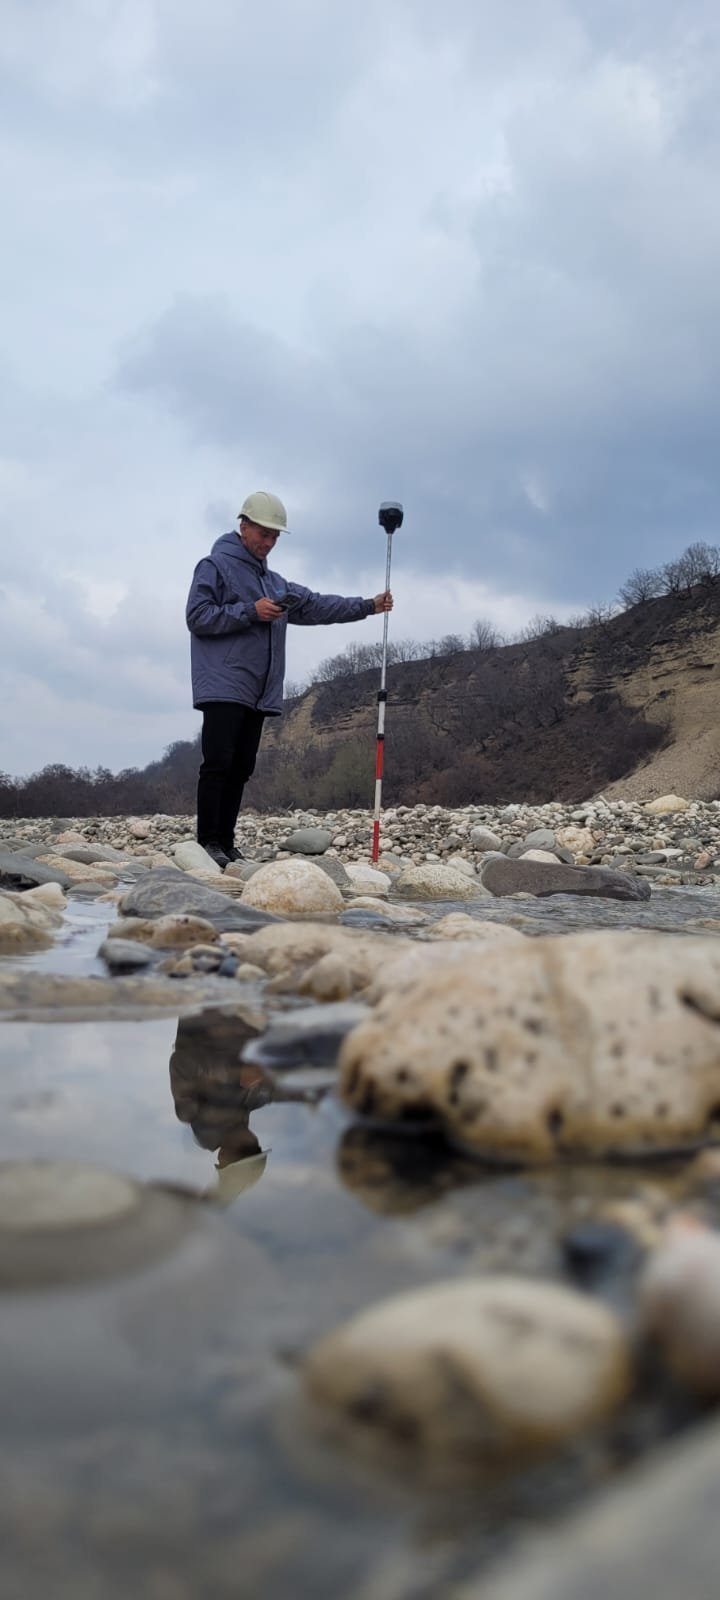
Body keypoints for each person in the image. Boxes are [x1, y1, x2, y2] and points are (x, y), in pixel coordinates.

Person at [186, 490, 393, 866]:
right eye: (263, 533)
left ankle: (226, 844)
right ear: (243, 525)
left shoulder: (275, 582)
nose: (268, 542)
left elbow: (317, 605)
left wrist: (367, 606)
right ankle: (207, 843)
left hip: (257, 689)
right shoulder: (213, 566)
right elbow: (197, 616)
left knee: (242, 767)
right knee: (218, 762)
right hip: (223, 683)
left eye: (274, 536)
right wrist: (249, 611)